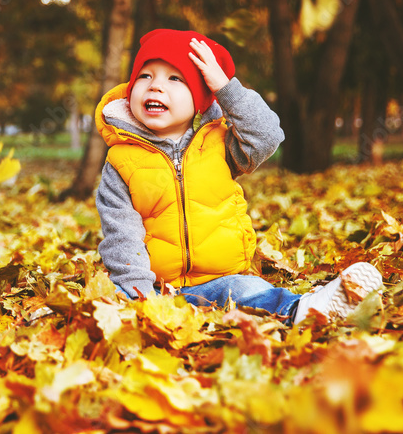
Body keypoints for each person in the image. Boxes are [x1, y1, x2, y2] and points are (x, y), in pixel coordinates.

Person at [95, 29, 383, 324]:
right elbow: (123, 236)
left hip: (221, 280)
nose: (155, 87)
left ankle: (305, 311)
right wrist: (144, 298)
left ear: (199, 98)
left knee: (252, 290)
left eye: (174, 78)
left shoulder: (219, 145)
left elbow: (267, 136)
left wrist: (224, 88)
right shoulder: (120, 161)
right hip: (155, 286)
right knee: (114, 300)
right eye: (145, 76)